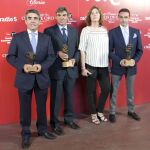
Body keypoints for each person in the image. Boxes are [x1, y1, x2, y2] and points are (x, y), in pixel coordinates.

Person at [7, 9, 56, 149]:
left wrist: (41, 66)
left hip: (41, 78)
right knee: (25, 109)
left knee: (41, 108)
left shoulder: (46, 38)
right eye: (30, 18)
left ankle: (42, 130)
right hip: (24, 78)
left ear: (40, 21)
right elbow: (10, 57)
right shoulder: (17, 38)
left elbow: (51, 56)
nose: (33, 20)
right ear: (26, 20)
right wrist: (23, 66)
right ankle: (26, 134)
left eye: (35, 18)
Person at [44, 7, 80, 135]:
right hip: (56, 70)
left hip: (71, 69)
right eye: (59, 15)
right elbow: (46, 50)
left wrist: (74, 60)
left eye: (64, 15)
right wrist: (57, 53)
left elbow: (78, 50)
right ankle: (54, 123)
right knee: (56, 97)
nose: (62, 17)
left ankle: (69, 119)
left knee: (69, 96)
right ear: (56, 16)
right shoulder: (48, 31)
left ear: (68, 16)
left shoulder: (74, 31)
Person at [109, 8, 143, 123]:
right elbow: (109, 51)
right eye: (121, 17)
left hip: (131, 67)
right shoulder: (112, 32)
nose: (123, 19)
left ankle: (131, 110)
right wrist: (120, 61)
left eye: (126, 17)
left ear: (129, 17)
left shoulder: (136, 32)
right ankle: (112, 112)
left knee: (130, 91)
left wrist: (134, 61)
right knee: (114, 90)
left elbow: (140, 50)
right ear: (118, 17)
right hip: (117, 67)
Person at [79, 6, 110, 125]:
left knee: (106, 89)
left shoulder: (105, 30)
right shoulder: (86, 30)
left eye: (97, 13)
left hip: (103, 66)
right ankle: (93, 113)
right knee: (90, 91)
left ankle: (100, 111)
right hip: (90, 65)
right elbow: (82, 50)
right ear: (89, 16)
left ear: (100, 16)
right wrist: (83, 68)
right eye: (92, 13)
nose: (95, 15)